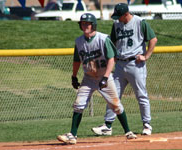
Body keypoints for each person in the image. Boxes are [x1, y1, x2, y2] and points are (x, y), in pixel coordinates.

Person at [57, 13, 137, 145]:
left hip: (104, 76)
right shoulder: (79, 41)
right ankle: (72, 135)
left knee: (116, 105)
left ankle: (128, 132)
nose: (85, 26)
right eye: (82, 23)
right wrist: (73, 76)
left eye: (87, 23)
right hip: (88, 78)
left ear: (93, 25)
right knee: (79, 104)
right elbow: (77, 60)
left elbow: (112, 59)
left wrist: (106, 77)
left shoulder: (103, 39)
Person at [91, 3, 157, 136]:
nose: (117, 18)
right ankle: (108, 125)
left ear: (126, 14)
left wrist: (146, 56)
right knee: (112, 94)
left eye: (119, 16)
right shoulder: (116, 24)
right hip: (120, 64)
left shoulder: (140, 22)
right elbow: (112, 44)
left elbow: (153, 39)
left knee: (141, 95)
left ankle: (147, 125)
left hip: (135, 64)